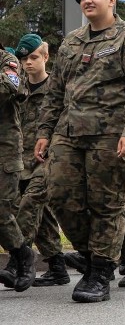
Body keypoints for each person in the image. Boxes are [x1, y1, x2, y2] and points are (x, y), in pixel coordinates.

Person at [34, 0, 125, 303]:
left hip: (111, 137)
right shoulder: (71, 42)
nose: (87, 0)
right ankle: (111, 256)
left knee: (107, 206)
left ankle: (100, 271)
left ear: (111, 0)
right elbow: (55, 92)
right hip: (69, 134)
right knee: (59, 195)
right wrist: (45, 132)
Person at [1, 36, 67, 289]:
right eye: (24, 59)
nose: (28, 63)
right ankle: (57, 266)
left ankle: (17, 262)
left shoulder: (56, 89)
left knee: (28, 206)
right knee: (44, 215)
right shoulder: (19, 89)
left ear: (45, 57)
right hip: (22, 159)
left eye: (33, 57)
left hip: (49, 158)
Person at [0, 47, 36, 293]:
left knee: (1, 209)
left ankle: (23, 255)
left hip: (5, 150)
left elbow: (8, 88)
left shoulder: (7, 60)